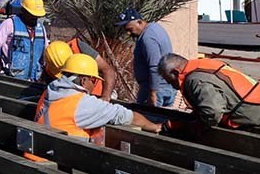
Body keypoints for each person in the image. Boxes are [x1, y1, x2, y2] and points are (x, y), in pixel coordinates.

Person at [24, 53, 160, 161]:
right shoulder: (81, 103)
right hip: (55, 163)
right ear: (83, 81)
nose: (94, 85)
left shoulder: (49, 91)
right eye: (93, 80)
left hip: (34, 155)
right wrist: (154, 127)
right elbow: (127, 116)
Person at [158, 53, 260, 134]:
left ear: (176, 72)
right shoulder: (207, 64)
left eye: (170, 81)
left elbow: (212, 113)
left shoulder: (194, 80)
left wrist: (187, 127)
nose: (173, 86)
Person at [0, 0, 49, 81]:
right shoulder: (10, 24)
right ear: (24, 11)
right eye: (32, 15)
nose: (35, 18)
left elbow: (46, 51)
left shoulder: (41, 28)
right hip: (11, 78)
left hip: (34, 81)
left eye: (37, 16)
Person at [115, 7, 175, 106]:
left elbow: (154, 66)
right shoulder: (155, 28)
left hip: (154, 89)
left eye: (130, 29)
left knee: (146, 119)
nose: (128, 33)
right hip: (165, 87)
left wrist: (152, 93)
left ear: (139, 22)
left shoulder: (147, 37)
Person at [40, 39, 117, 99]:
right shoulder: (49, 72)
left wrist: (106, 96)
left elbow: (108, 70)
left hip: (98, 95)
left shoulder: (79, 48)